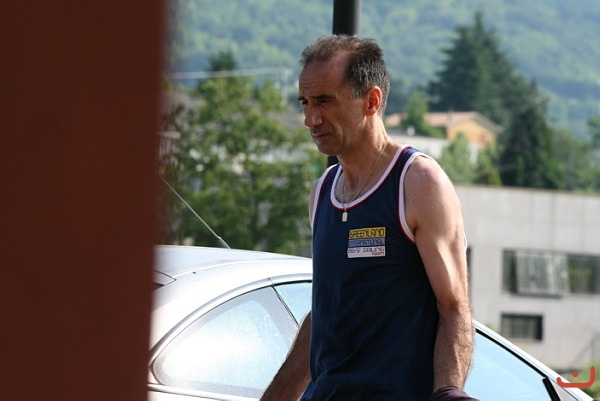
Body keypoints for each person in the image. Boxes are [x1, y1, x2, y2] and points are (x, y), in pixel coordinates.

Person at [260, 35, 478, 401]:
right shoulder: (323, 191)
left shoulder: (418, 182)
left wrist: (448, 392)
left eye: (324, 101)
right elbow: (325, 315)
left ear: (372, 101)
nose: (311, 119)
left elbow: (454, 307)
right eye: (305, 103)